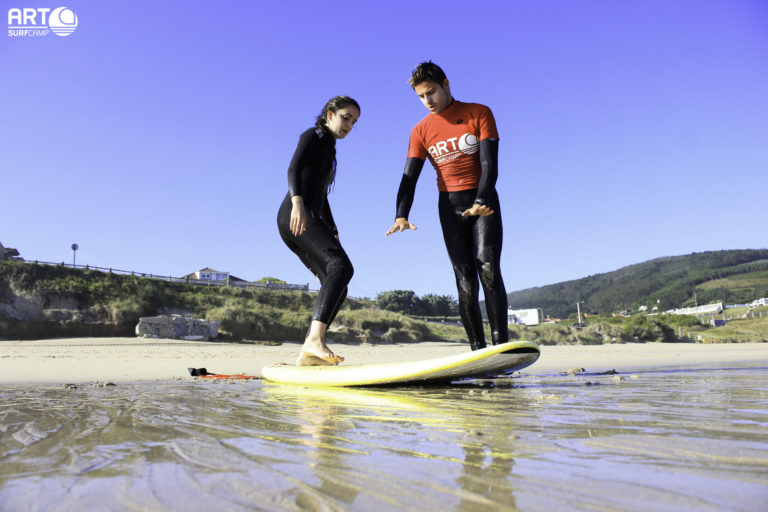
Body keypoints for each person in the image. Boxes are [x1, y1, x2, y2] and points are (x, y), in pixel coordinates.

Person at [386, 62, 508, 351]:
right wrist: (401, 215)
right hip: (449, 206)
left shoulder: (478, 112)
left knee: (488, 268)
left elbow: (490, 164)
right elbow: (409, 177)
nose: (427, 101)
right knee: (465, 279)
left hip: (483, 201)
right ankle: (478, 350)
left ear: (446, 84)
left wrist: (480, 200)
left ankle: (501, 346)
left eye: (431, 92)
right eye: (421, 96)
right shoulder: (420, 131)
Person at [277, 96, 360, 366]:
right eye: (346, 117)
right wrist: (297, 203)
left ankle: (308, 354)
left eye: (354, 122)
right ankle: (314, 340)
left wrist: (332, 229)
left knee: (337, 282)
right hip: (296, 213)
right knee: (341, 267)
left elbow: (322, 194)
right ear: (330, 114)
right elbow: (294, 167)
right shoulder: (314, 135)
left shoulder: (330, 149)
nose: (349, 125)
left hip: (310, 215)